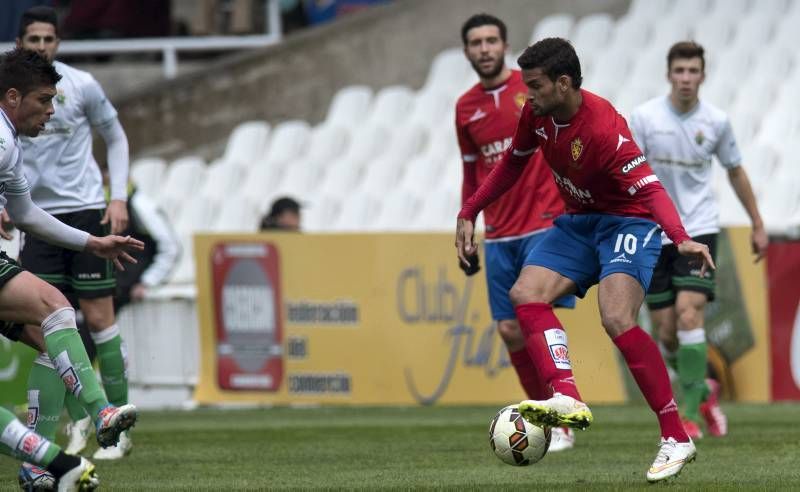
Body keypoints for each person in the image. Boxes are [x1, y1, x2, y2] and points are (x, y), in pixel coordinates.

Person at [455, 38, 715, 483]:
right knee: (525, 293)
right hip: (578, 223)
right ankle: (566, 396)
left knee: (615, 317)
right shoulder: (535, 114)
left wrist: (680, 237)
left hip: (626, 225)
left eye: (534, 85)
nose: (527, 94)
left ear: (563, 83)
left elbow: (650, 189)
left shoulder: (604, 129)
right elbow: (512, 165)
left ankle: (676, 435)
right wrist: (469, 209)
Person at [1, 47, 142, 489]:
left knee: (51, 331)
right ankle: (93, 420)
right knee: (56, 308)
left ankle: (42, 466)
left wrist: (93, 242)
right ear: (12, 97)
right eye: (44, 100)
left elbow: (25, 212)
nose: (51, 111)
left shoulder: (10, 144)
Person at [629, 41, 768, 440]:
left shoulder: (717, 122)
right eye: (680, 71)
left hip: (699, 230)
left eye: (693, 71)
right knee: (667, 332)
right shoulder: (645, 118)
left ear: (703, 75)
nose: (686, 78)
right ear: (669, 74)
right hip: (655, 232)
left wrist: (757, 223)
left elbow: (736, 171)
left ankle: (688, 416)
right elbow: (629, 172)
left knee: (690, 314)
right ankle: (703, 390)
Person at [455, 14, 577, 452]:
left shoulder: (532, 91)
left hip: (542, 223)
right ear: (467, 51)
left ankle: (561, 415)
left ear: (504, 45)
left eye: (491, 40)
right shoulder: (464, 107)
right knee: (508, 330)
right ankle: (545, 410)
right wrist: (467, 220)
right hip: (499, 231)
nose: (484, 48)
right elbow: (473, 172)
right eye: (476, 42)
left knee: (533, 310)